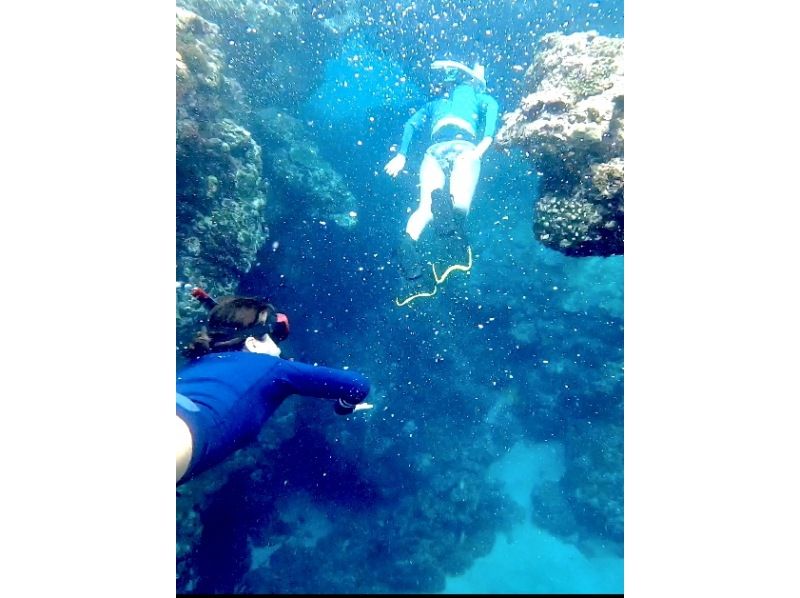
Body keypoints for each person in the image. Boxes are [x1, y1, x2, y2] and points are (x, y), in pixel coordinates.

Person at [177, 288, 373, 485]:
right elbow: (357, 385)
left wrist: (218, 308)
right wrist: (343, 407)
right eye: (273, 336)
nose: (278, 347)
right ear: (252, 343)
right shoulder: (274, 368)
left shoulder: (200, 361)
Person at [384, 59, 499, 306]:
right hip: (465, 146)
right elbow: (490, 128)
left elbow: (410, 125)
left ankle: (409, 255)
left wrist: (401, 155)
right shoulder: (484, 99)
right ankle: (449, 234)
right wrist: (478, 152)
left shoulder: (434, 104)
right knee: (460, 208)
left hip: (434, 150)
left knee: (423, 209)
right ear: (478, 84)